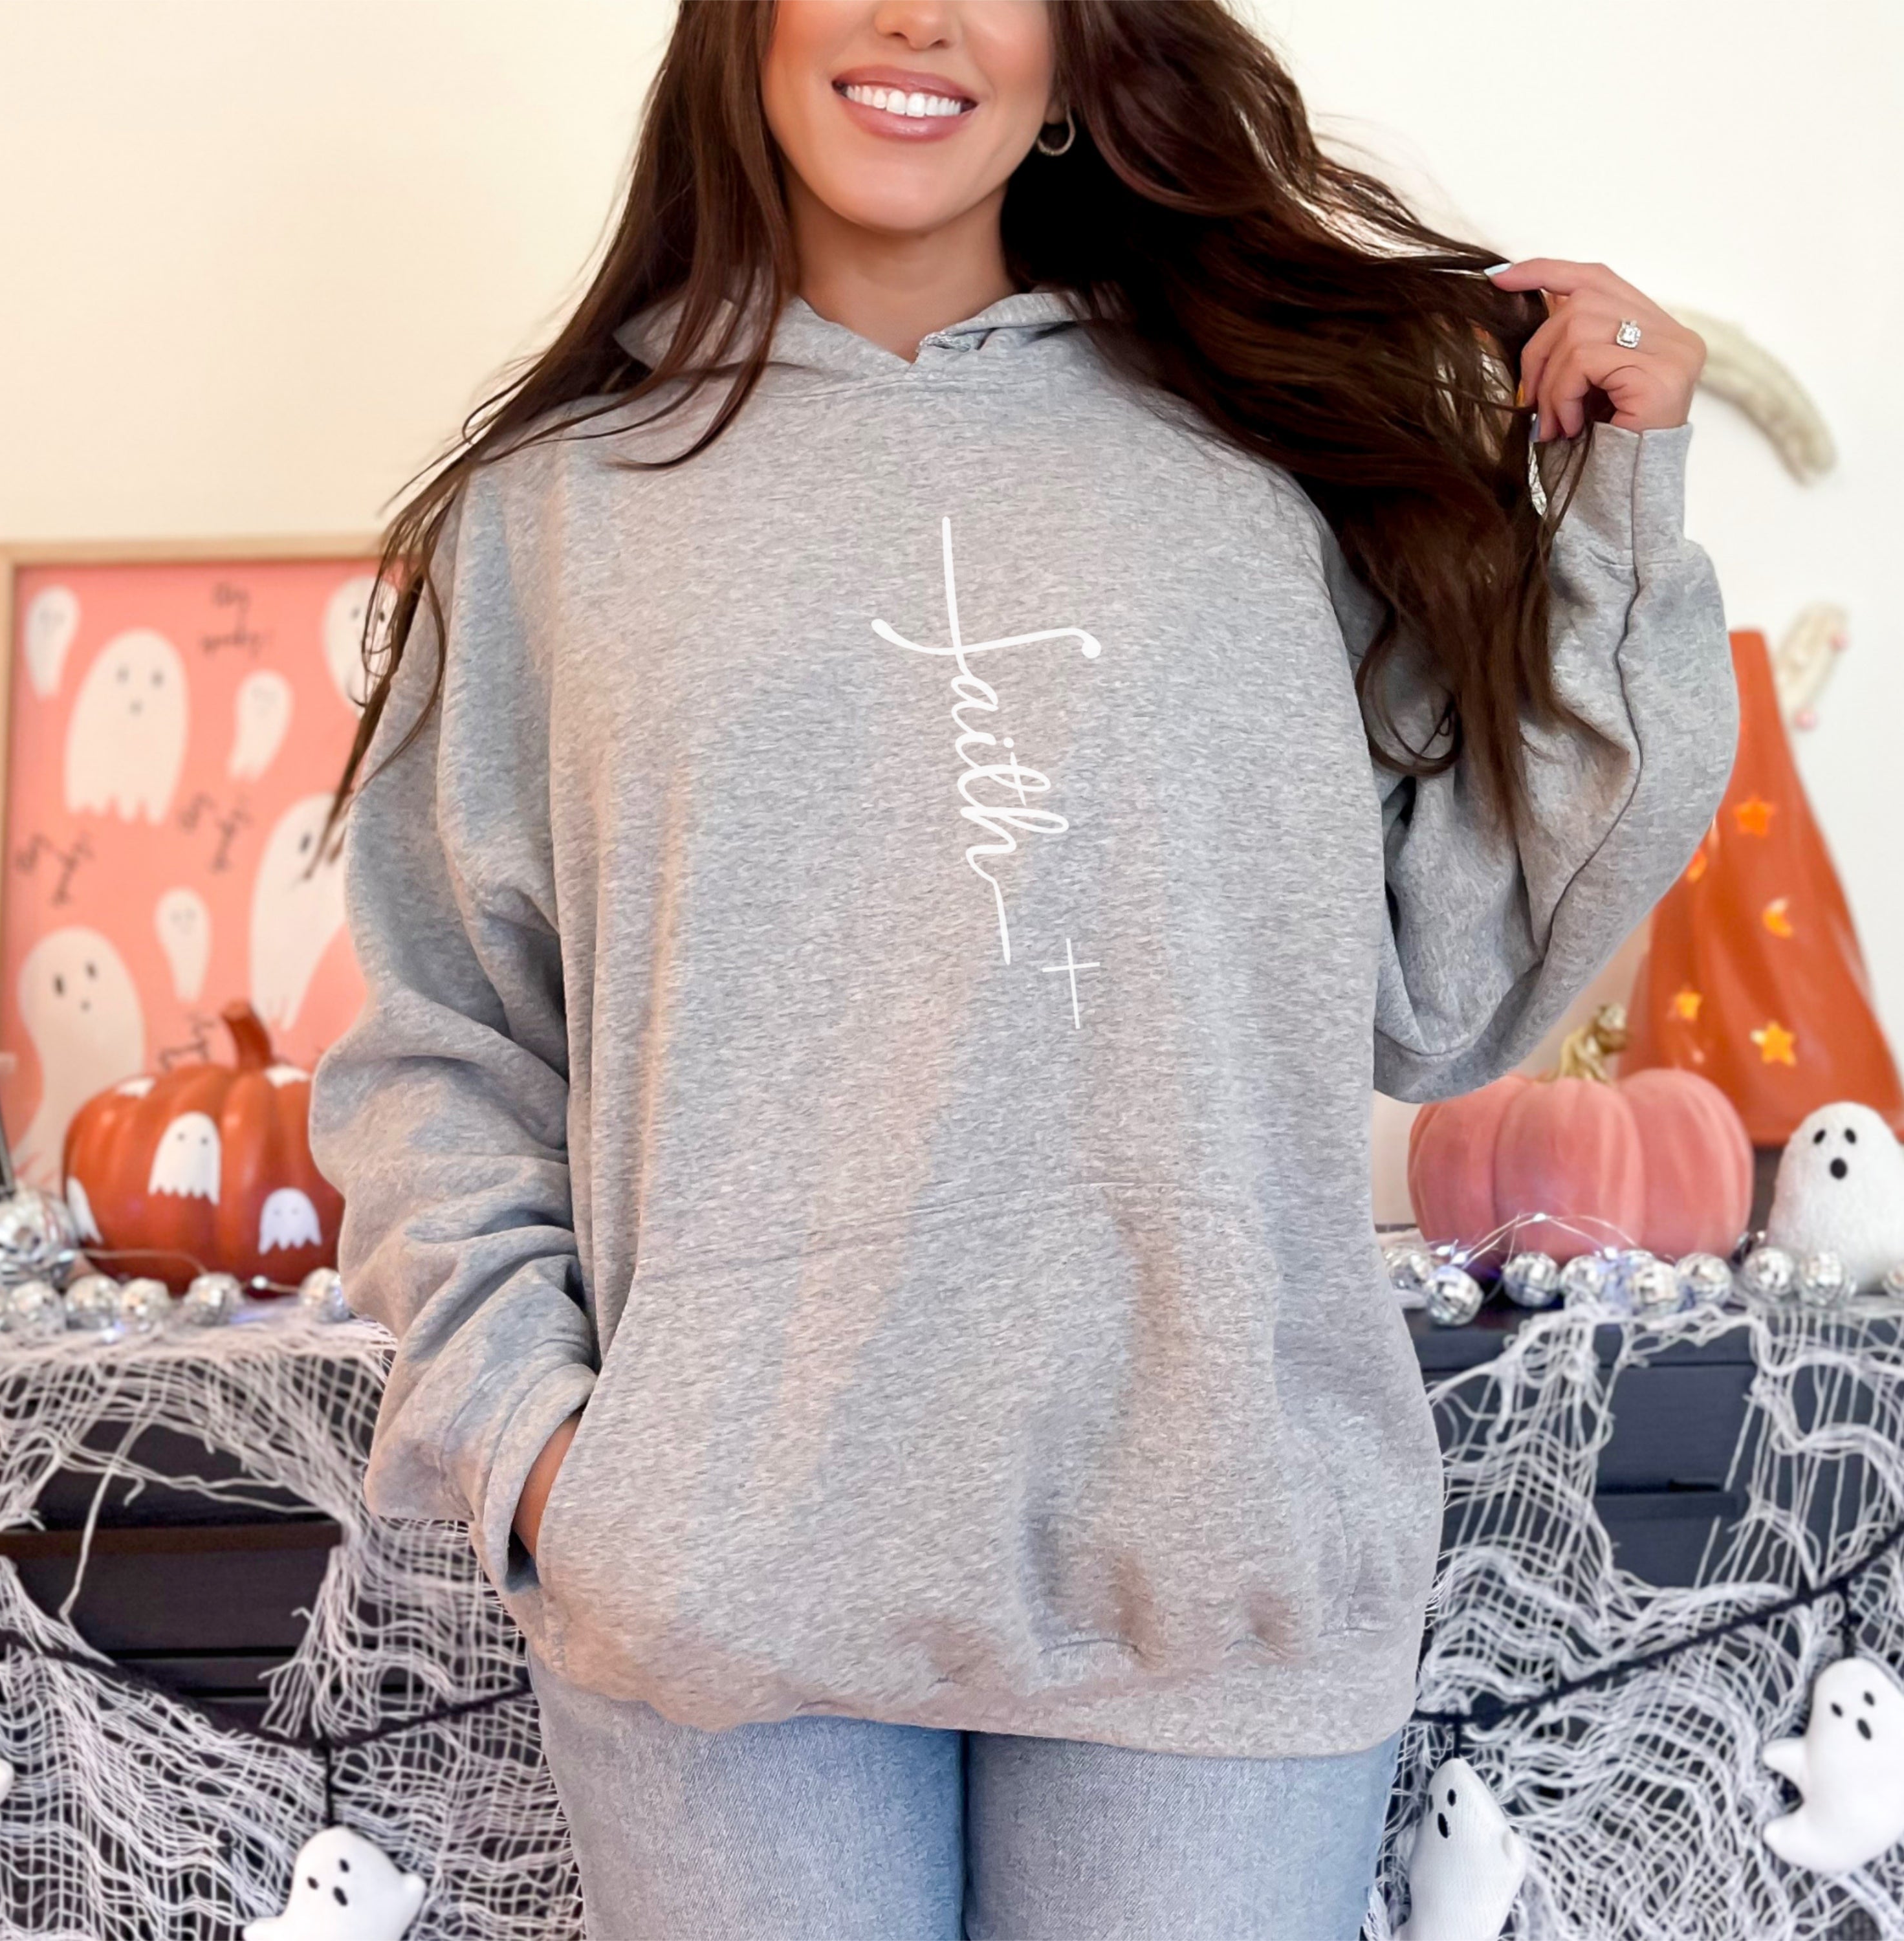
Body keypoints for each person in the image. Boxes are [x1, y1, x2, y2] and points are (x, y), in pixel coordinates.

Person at [306, 2, 1738, 1935]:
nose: (920, 15)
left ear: (1074, 50)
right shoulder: (557, 512)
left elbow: (1450, 984)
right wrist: (553, 1466)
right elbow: (448, 1041)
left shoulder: (1264, 464)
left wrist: (1619, 517)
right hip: (720, 1600)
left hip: (1216, 1568)